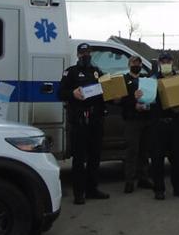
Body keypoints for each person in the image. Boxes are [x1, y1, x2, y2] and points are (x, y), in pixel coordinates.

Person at [59, 43, 110, 204]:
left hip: (96, 120)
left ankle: (92, 189)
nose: (85, 55)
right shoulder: (70, 72)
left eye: (87, 53)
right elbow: (60, 93)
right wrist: (72, 93)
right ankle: (78, 193)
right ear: (77, 55)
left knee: (95, 157)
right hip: (79, 120)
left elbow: (106, 92)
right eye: (82, 53)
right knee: (79, 159)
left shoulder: (97, 72)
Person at [149, 52, 179, 200]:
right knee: (157, 158)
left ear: (172, 62)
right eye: (163, 61)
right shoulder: (152, 80)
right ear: (159, 63)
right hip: (158, 124)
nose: (165, 63)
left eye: (168, 61)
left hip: (175, 123)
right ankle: (159, 189)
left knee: (177, 157)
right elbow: (147, 101)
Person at [116, 55, 154, 194]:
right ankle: (129, 181)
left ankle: (143, 178)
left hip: (146, 119)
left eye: (138, 63)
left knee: (144, 151)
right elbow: (119, 100)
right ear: (129, 64)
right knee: (132, 151)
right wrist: (133, 101)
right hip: (131, 120)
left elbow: (152, 96)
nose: (136, 65)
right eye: (133, 63)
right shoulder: (124, 80)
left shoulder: (146, 80)